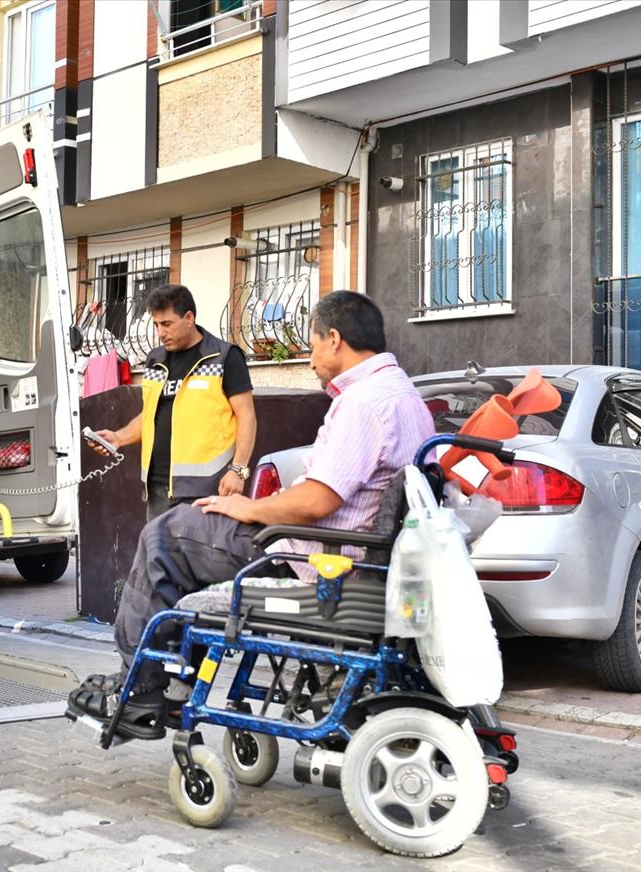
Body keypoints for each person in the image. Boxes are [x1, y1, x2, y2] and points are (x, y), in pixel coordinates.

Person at [69, 291, 436, 735]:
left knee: (162, 539)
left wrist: (251, 506)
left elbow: (318, 500)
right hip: (350, 549)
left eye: (314, 343)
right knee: (179, 540)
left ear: (335, 339)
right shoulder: (403, 394)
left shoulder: (362, 402)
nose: (312, 357)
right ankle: (173, 680)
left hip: (313, 557)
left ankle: (139, 689)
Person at [87, 284, 256, 521]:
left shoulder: (224, 357)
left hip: (208, 488)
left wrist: (238, 470)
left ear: (189, 318)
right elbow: (150, 415)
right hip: (157, 490)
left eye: (166, 324)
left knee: (199, 558)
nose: (160, 332)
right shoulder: (155, 360)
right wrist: (119, 438)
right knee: (159, 558)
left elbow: (247, 416)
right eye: (156, 325)